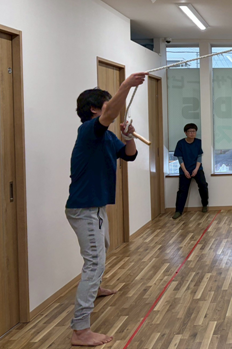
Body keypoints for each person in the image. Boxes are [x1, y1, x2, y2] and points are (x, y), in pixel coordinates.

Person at [65, 72, 147, 346]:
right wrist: (126, 85)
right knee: (95, 262)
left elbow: (129, 155)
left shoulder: (106, 137)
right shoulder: (89, 130)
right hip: (84, 208)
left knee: (102, 249)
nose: (111, 109)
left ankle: (96, 288)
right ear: (94, 109)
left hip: (96, 207)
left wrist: (128, 136)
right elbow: (110, 113)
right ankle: (80, 330)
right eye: (106, 104)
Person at [173, 123, 209, 219]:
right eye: (190, 131)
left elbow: (199, 157)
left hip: (197, 169)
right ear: (185, 133)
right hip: (184, 170)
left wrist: (196, 169)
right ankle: (178, 211)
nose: (192, 133)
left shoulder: (199, 142)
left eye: (194, 131)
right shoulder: (180, 143)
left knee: (203, 186)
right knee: (182, 191)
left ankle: (205, 205)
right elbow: (180, 158)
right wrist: (185, 171)